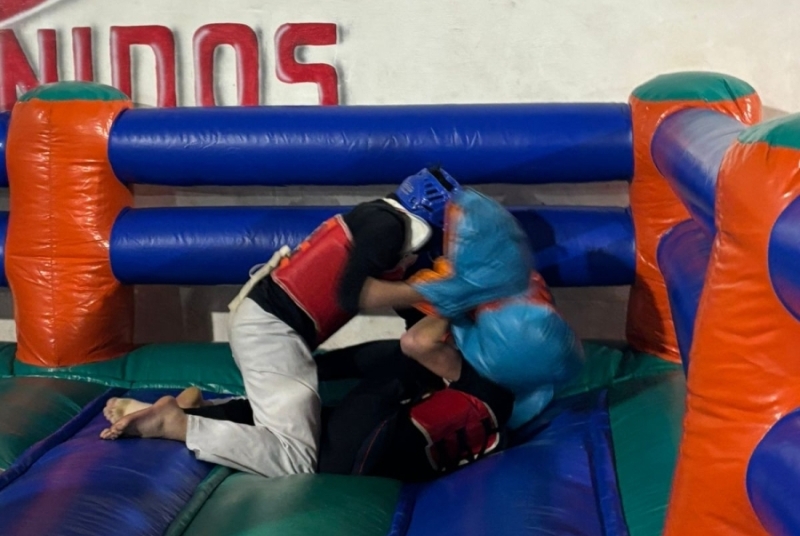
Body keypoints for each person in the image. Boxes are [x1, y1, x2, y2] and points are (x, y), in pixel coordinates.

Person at [100, 167, 462, 479]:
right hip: (272, 331)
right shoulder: (388, 228)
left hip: (272, 325)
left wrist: (432, 309)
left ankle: (199, 411)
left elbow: (405, 312)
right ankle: (179, 424)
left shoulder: (378, 221)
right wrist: (438, 291)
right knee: (295, 459)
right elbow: (355, 294)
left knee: (305, 404)